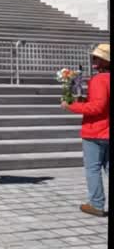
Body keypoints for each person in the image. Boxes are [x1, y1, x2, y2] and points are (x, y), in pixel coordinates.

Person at [62, 43, 110, 217]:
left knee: (93, 169)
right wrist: (85, 99)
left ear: (104, 61)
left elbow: (97, 107)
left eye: (97, 57)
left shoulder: (99, 79)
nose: (93, 60)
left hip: (96, 131)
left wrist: (71, 106)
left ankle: (96, 204)